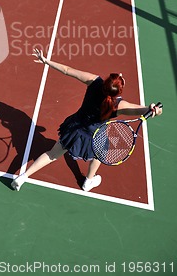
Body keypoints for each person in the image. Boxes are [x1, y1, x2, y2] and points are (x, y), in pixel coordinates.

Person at [11, 48, 163, 193]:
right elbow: (142, 110)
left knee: (52, 154)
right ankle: (88, 181)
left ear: (106, 82)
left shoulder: (93, 81)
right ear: (118, 92)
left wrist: (46, 61)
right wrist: (153, 109)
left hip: (74, 128)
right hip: (94, 136)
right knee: (100, 153)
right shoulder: (119, 105)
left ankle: (23, 176)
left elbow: (67, 70)